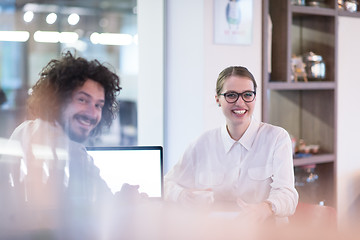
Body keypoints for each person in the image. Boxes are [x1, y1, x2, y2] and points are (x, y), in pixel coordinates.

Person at [0, 51, 138, 239]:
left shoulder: (25, 129)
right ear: (58, 100)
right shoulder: (69, 152)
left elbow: (101, 202)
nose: (92, 113)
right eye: (82, 100)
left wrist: (121, 199)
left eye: (98, 105)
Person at [164, 66, 298, 224]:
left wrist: (266, 208)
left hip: (265, 233)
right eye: (231, 95)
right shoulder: (202, 143)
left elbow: (288, 194)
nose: (240, 102)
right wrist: (182, 196)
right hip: (218, 232)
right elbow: (166, 184)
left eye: (247, 95)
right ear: (217, 99)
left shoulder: (276, 138)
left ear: (255, 97)